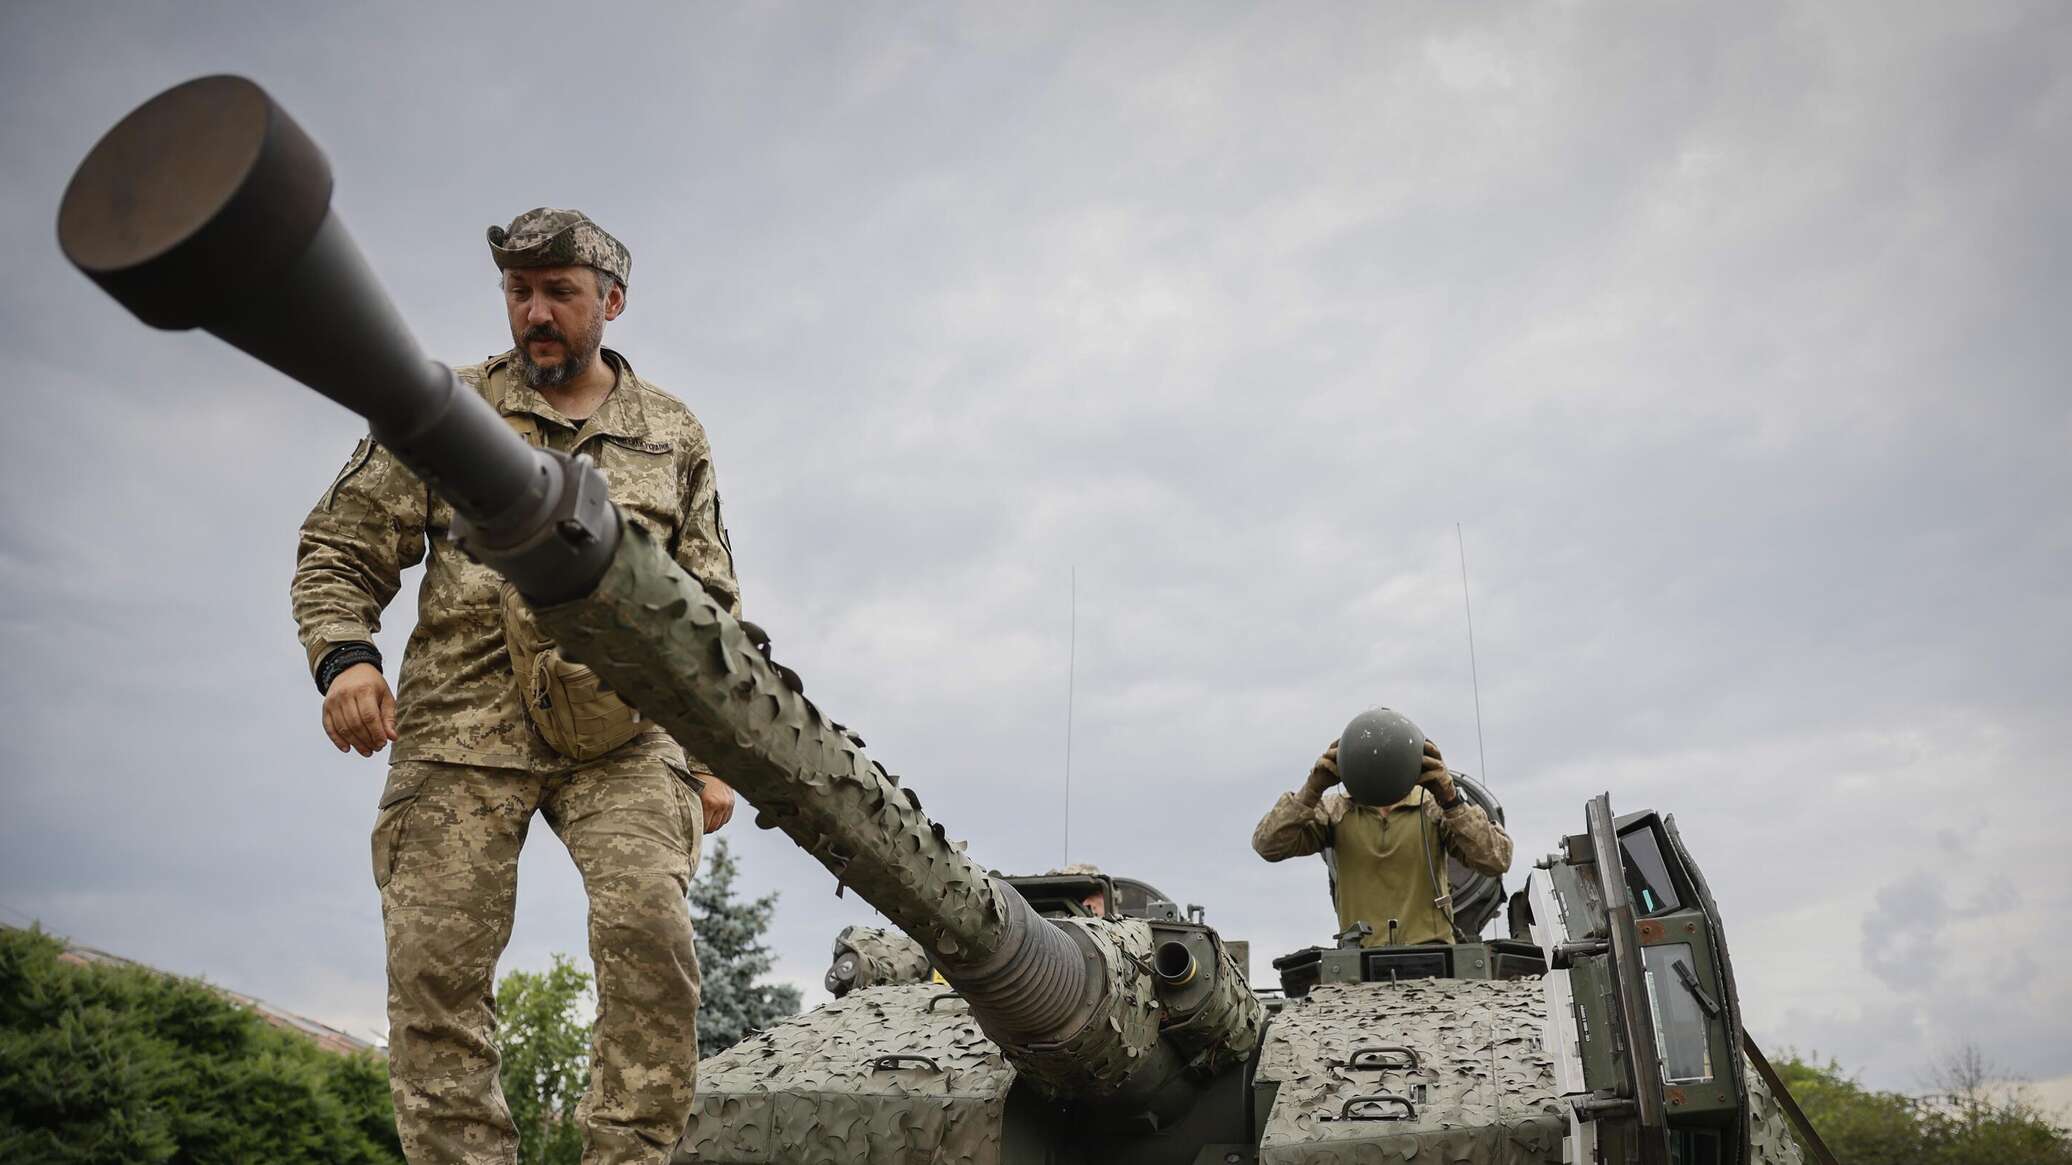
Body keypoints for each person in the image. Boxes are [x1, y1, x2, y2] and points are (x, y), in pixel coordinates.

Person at [291, 208, 739, 1164]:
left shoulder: (671, 433)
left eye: (559, 294)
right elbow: (338, 543)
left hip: (624, 728)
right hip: (461, 723)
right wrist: (347, 659)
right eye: (519, 291)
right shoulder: (443, 410)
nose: (535, 312)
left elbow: (711, 609)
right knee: (435, 981)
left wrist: (709, 756)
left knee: (652, 948)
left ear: (610, 302)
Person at [1251, 734, 1512, 947]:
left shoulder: (1432, 809)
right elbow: (1268, 844)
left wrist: (1450, 800)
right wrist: (1311, 790)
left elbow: (1497, 858)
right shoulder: (1335, 812)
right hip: (1358, 958)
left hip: (1432, 956)